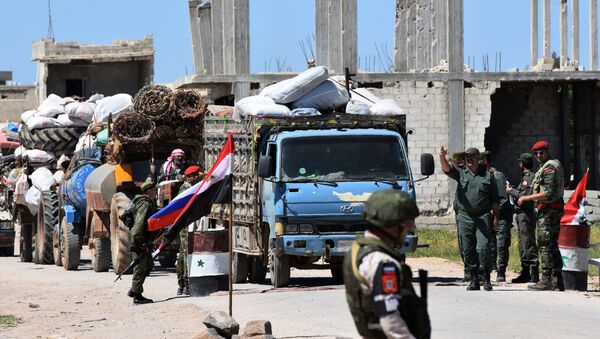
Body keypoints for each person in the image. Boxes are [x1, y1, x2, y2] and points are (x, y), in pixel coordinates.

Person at [343, 190, 430, 339]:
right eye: (408, 223)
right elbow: (390, 319)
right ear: (391, 225)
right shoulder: (382, 262)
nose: (411, 228)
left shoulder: (358, 249)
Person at [440, 146, 499, 291]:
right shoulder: (461, 173)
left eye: (472, 156)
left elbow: (495, 201)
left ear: (479, 159)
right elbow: (447, 169)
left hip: (483, 216)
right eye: (467, 156)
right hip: (465, 217)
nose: (469, 158)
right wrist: (442, 156)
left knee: (483, 247)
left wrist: (496, 218)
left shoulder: (488, 176)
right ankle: (473, 279)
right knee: (468, 249)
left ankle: (486, 278)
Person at [517, 141, 564, 291]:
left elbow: (548, 193)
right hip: (552, 209)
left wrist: (526, 198)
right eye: (536, 153)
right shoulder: (551, 165)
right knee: (552, 245)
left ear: (547, 151)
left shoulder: (549, 167)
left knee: (544, 245)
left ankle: (546, 280)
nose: (538, 156)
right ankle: (557, 281)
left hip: (549, 210)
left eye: (541, 152)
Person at [481, 151, 514, 283]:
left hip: (501, 216)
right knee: (488, 244)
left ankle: (501, 271)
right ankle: (489, 268)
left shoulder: (497, 176)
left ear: (485, 161)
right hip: (487, 215)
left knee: (501, 244)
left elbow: (503, 200)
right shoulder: (482, 176)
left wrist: (493, 213)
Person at [507, 153, 539, 283]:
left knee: (528, 242)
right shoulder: (526, 177)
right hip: (521, 215)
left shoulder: (529, 177)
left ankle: (534, 272)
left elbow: (524, 196)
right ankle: (525, 272)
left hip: (526, 214)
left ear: (522, 164)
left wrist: (511, 191)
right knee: (522, 243)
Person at [127, 179, 158, 304]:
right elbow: (138, 226)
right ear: (149, 191)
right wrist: (141, 242)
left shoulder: (141, 202)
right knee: (140, 267)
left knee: (148, 265)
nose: (156, 192)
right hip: (139, 240)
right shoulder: (144, 204)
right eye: (154, 190)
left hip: (141, 239)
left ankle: (134, 290)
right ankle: (137, 296)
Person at [176, 165, 203, 296]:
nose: (197, 177)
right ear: (188, 177)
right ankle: (186, 284)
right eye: (195, 175)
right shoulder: (187, 189)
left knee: (182, 253)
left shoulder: (185, 187)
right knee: (186, 253)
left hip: (184, 223)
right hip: (186, 224)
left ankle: (181, 284)